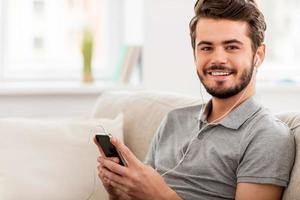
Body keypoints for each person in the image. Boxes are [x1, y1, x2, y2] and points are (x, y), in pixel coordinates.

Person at [95, 0, 295, 199]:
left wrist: (160, 195)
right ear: (195, 55)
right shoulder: (173, 120)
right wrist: (120, 191)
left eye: (232, 47)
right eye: (206, 48)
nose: (218, 59)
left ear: (258, 54)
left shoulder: (267, 135)